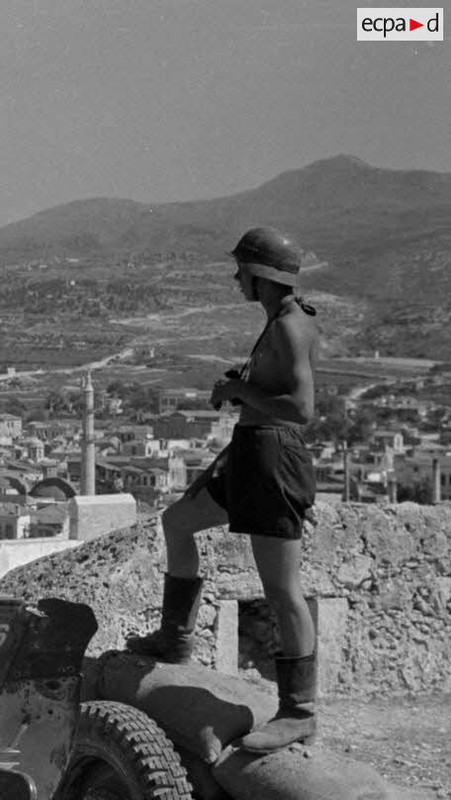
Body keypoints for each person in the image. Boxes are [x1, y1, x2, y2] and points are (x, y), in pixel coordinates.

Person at [126, 227, 320, 753]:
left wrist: (240, 390)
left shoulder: (290, 328)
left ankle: (300, 710)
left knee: (282, 590)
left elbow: (302, 410)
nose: (237, 279)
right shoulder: (278, 322)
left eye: (243, 271)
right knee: (177, 522)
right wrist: (246, 386)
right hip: (248, 453)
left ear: (261, 276)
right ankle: (176, 638)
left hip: (272, 458)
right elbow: (275, 391)